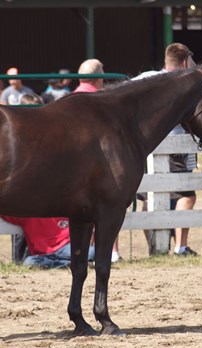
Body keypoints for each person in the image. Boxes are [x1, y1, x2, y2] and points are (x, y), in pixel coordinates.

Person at [133, 43, 199, 256]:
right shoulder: (182, 83)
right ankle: (180, 247)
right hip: (173, 147)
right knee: (185, 195)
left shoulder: (146, 78)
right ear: (184, 62)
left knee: (147, 197)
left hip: (145, 147)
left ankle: (155, 247)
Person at [73, 58, 121, 262]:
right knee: (110, 204)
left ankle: (87, 250)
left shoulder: (69, 100)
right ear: (99, 78)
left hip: (73, 168)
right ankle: (112, 251)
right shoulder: (104, 102)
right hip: (101, 165)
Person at [0, 213, 95, 269]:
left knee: (92, 252)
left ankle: (69, 263)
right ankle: (69, 264)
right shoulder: (28, 214)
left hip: (64, 247)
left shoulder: (60, 209)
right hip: (42, 254)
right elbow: (5, 212)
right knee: (29, 262)